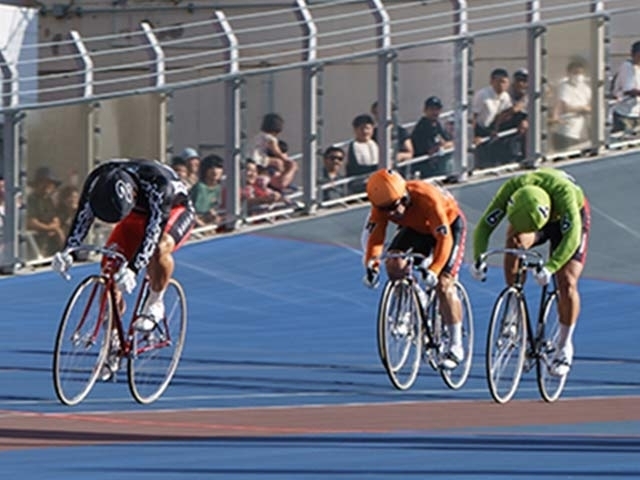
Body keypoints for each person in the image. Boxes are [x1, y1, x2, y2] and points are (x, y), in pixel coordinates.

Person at [51, 159, 196, 379]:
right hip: (133, 216)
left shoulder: (158, 185)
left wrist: (134, 268)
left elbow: (153, 232)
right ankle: (113, 342)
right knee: (110, 266)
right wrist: (67, 251)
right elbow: (82, 217)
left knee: (158, 248)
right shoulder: (98, 180)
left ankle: (156, 301)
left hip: (173, 211)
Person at [470, 167, 590, 377]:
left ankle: (564, 346)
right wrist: (479, 258)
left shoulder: (565, 193)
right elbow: (484, 226)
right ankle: (514, 303)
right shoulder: (512, 189)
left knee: (567, 281)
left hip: (568, 220)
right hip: (532, 215)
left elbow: (571, 239)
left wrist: (551, 268)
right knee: (514, 241)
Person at [362, 169, 467, 369]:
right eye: (385, 210)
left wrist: (435, 270)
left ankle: (456, 345)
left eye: (394, 207)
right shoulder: (381, 206)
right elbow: (375, 238)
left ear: (404, 197)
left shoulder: (427, 197)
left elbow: (444, 239)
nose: (391, 214)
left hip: (447, 226)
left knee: (444, 284)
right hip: (416, 228)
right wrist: (372, 265)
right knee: (393, 262)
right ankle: (414, 297)